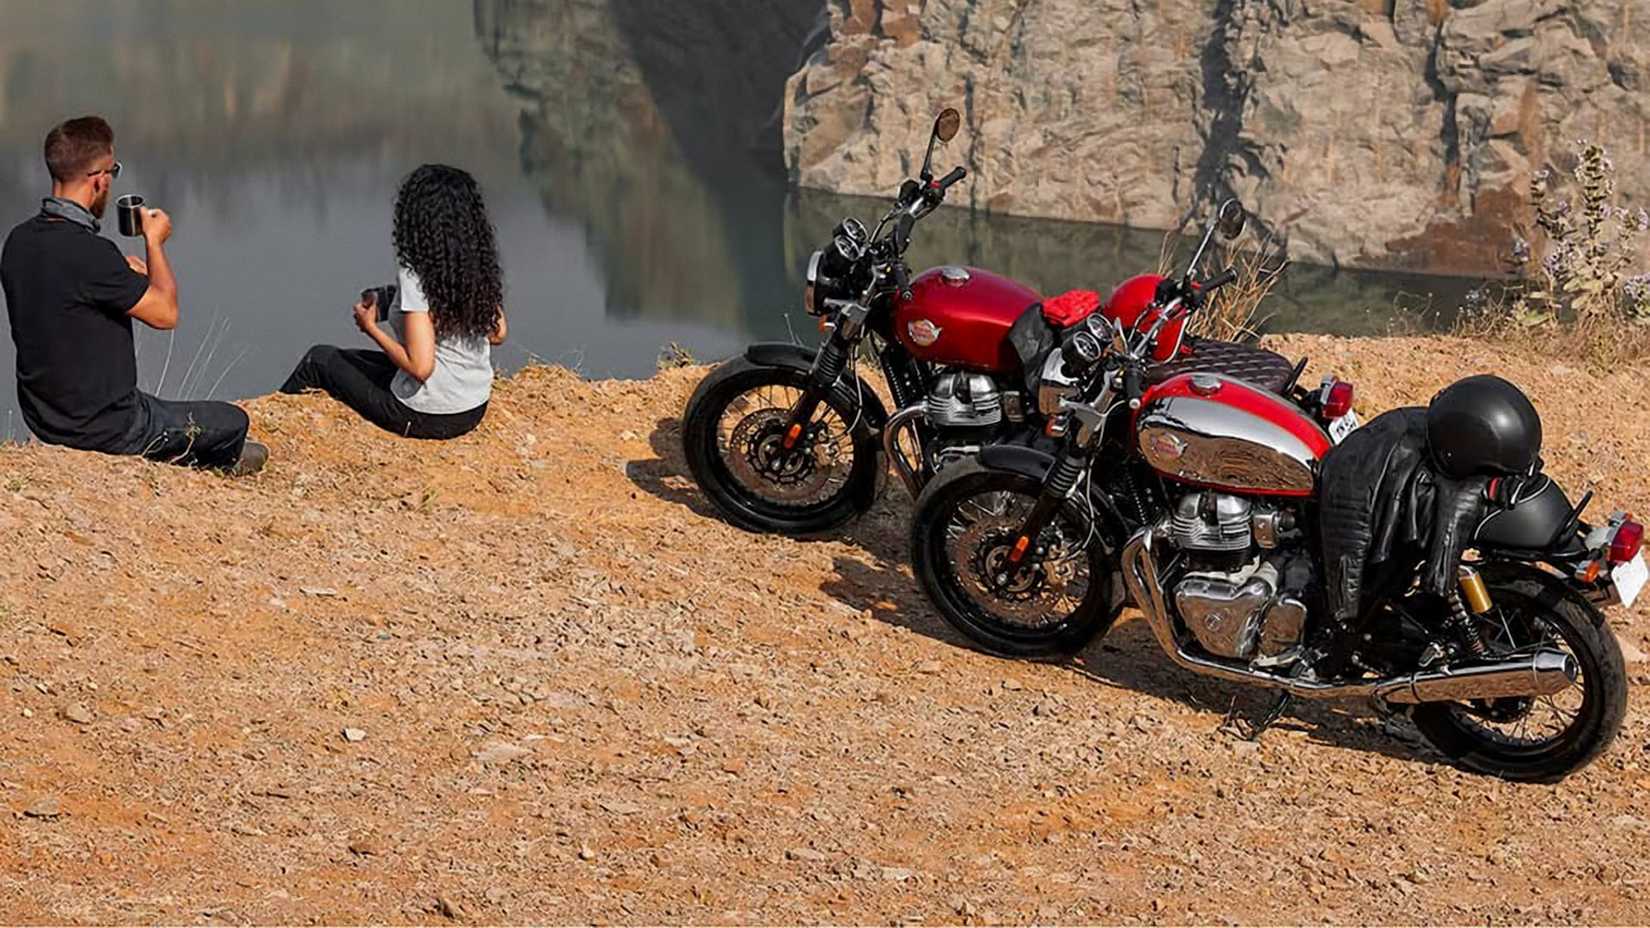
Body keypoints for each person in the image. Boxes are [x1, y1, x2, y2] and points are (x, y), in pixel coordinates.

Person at [0, 116, 267, 474]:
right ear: (100, 177)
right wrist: (154, 243)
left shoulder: (18, 241)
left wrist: (118, 275)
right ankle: (191, 462)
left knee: (165, 410)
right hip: (107, 427)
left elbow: (66, 292)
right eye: (113, 171)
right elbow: (165, 314)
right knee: (233, 421)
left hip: (44, 417)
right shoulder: (93, 255)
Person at [280, 164, 506, 439]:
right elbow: (497, 333)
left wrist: (371, 328)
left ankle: (272, 433)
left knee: (319, 359)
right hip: (473, 405)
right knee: (353, 360)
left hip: (428, 414)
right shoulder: (474, 264)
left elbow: (421, 368)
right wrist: (386, 298)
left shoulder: (416, 276)